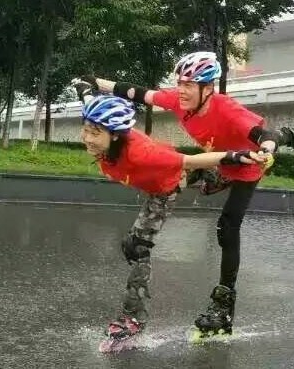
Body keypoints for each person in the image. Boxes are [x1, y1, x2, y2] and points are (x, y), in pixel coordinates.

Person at [75, 51, 294, 336]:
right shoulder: (179, 102)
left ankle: (223, 309)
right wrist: (95, 82)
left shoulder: (227, 109)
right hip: (217, 163)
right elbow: (137, 93)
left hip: (246, 167)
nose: (181, 90)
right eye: (179, 82)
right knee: (175, 176)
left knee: (227, 229)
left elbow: (263, 135)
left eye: (189, 85)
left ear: (208, 88)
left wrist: (265, 151)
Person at [73, 88, 267, 339]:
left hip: (167, 187)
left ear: (116, 135)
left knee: (136, 246)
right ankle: (222, 178)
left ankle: (132, 318)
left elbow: (189, 161)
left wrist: (235, 156)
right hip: (169, 175)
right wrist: (87, 90)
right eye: (86, 130)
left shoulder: (140, 152)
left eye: (94, 133)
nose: (87, 138)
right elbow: (92, 104)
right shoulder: (105, 127)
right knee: (206, 183)